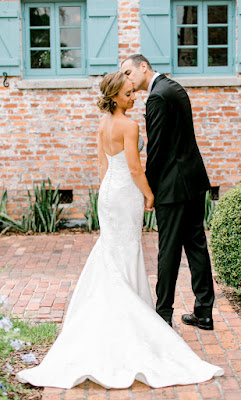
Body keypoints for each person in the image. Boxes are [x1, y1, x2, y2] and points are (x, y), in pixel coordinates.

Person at [17, 72, 223, 390]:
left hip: (108, 193)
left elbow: (103, 165)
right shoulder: (129, 125)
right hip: (126, 192)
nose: (134, 97)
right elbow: (135, 167)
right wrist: (150, 195)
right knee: (127, 250)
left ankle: (115, 312)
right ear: (115, 96)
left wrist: (106, 194)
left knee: (113, 251)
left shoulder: (102, 123)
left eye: (133, 92)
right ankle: (133, 313)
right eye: (128, 94)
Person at [121, 54, 215, 330]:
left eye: (128, 72)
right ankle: (204, 312)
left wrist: (147, 189)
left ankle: (162, 315)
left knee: (169, 250)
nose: (126, 79)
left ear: (143, 66)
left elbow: (157, 150)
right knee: (196, 245)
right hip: (194, 181)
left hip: (173, 188)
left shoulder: (157, 97)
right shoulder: (174, 87)